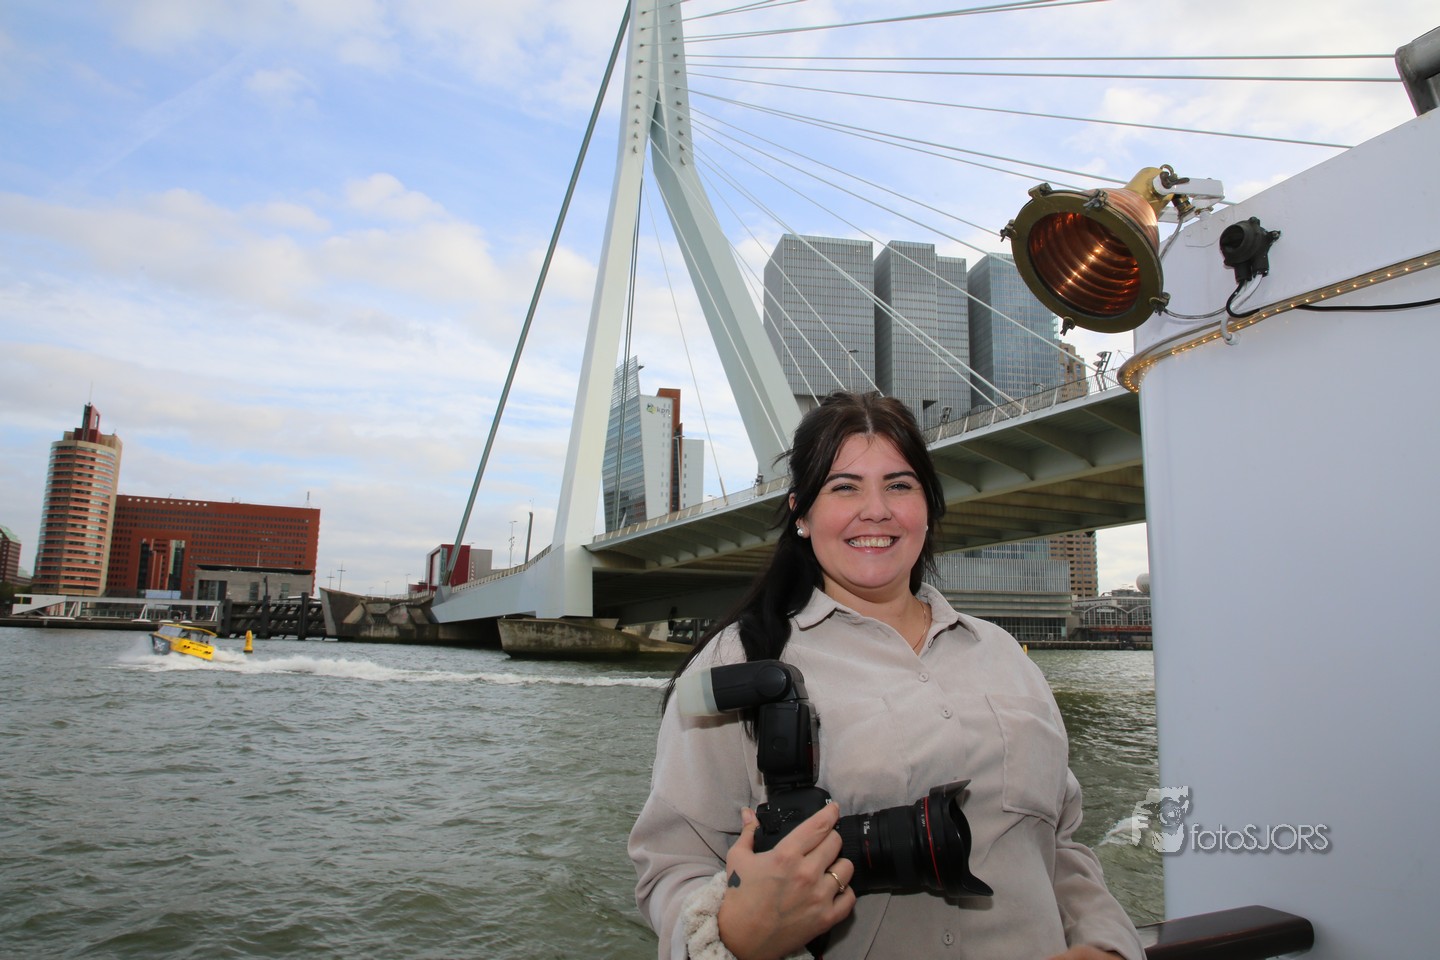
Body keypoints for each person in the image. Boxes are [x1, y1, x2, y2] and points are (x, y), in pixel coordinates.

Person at [629, 391, 1143, 960]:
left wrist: (1107, 947)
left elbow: (1059, 844)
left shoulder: (1004, 655)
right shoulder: (740, 661)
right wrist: (734, 933)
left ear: (928, 506)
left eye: (899, 485)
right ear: (801, 514)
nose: (875, 510)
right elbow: (671, 868)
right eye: (844, 487)